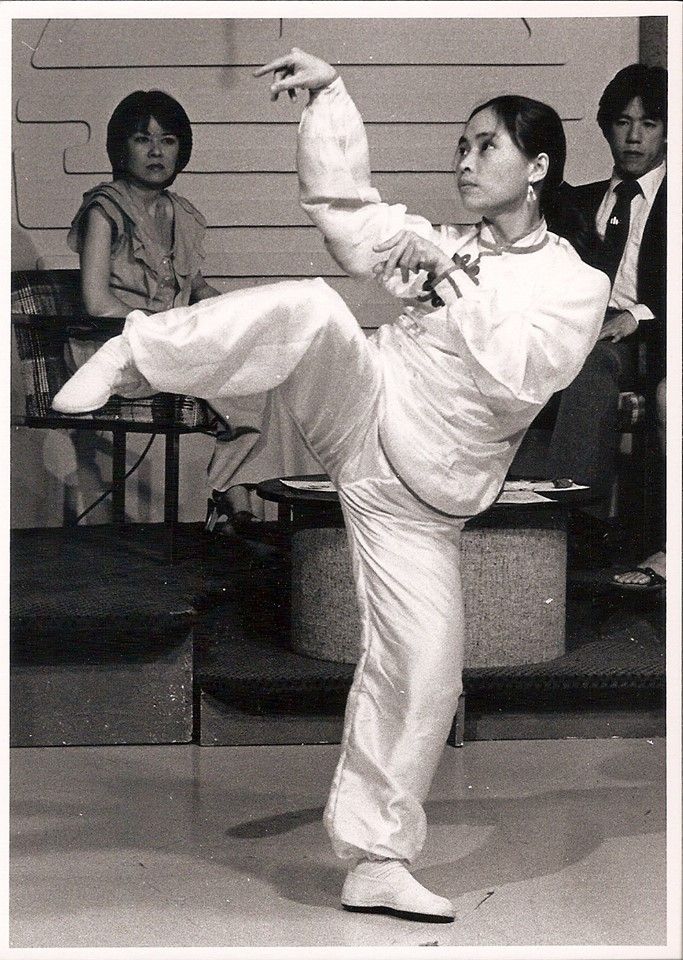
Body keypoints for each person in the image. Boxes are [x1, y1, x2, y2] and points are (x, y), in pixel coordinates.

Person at [52, 49, 609, 922]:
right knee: (312, 308)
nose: (462, 163)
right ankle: (138, 353)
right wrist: (328, 99)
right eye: (458, 147)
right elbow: (350, 216)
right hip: (366, 408)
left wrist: (447, 272)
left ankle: (376, 859)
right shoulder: (443, 240)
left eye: (484, 147)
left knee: (426, 673)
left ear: (536, 167)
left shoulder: (573, 282)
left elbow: (524, 370)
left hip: (420, 502)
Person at [544, 65, 667, 551]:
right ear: (605, 127)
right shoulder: (579, 202)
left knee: (592, 364)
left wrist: (634, 315)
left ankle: (565, 522)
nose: (634, 137)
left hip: (647, 339)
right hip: (576, 328)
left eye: (649, 124)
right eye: (622, 122)